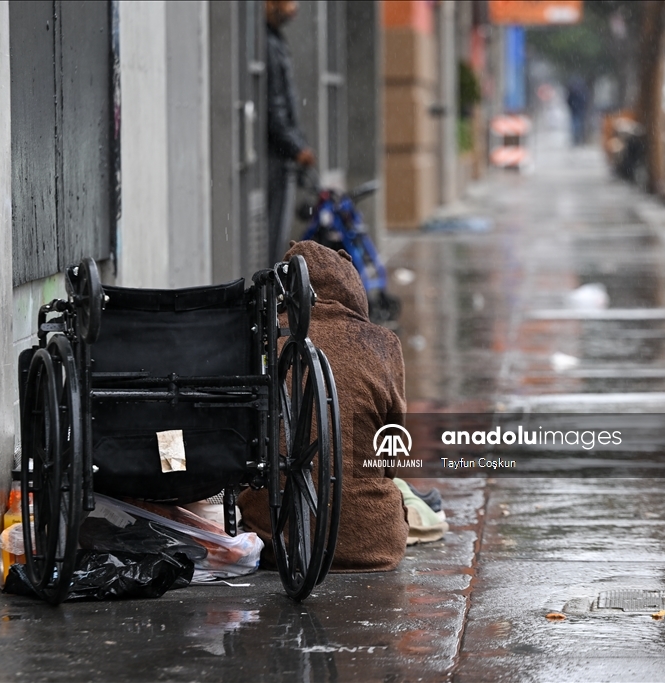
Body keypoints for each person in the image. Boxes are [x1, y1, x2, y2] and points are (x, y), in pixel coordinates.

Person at [239, 240, 410, 572]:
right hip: (373, 542)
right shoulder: (382, 343)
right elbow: (391, 449)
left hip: (276, 542)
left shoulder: (263, 340)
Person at [266, 0, 316, 266]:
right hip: (274, 156)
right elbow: (275, 108)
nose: (295, 9)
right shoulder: (268, 44)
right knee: (274, 235)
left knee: (277, 233)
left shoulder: (275, 41)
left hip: (280, 152)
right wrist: (297, 148)